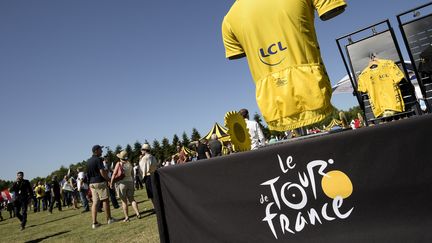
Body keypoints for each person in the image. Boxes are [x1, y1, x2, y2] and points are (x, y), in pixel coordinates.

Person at [222, 0, 346, 131]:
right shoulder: (229, 20)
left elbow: (237, 53)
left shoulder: (229, 19)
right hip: (313, 91)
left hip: (273, 106)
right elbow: (331, 8)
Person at [86, 145, 118, 229]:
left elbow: (88, 174)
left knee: (95, 202)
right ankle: (109, 219)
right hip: (100, 182)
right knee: (105, 200)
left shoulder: (88, 161)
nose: (102, 151)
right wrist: (108, 179)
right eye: (100, 150)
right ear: (96, 151)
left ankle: (94, 223)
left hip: (92, 183)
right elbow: (102, 172)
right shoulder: (99, 159)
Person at [110, 150, 141, 222]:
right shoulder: (129, 163)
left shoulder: (119, 163)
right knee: (132, 199)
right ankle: (138, 213)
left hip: (122, 183)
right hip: (130, 182)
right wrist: (133, 182)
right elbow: (132, 173)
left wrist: (111, 183)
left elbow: (114, 174)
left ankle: (127, 217)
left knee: (124, 201)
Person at [139, 143, 158, 208]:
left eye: (142, 150)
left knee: (151, 195)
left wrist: (142, 178)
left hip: (148, 177)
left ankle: (156, 208)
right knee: (155, 193)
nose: (141, 151)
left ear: (144, 150)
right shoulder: (153, 157)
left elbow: (142, 169)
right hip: (154, 175)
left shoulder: (144, 158)